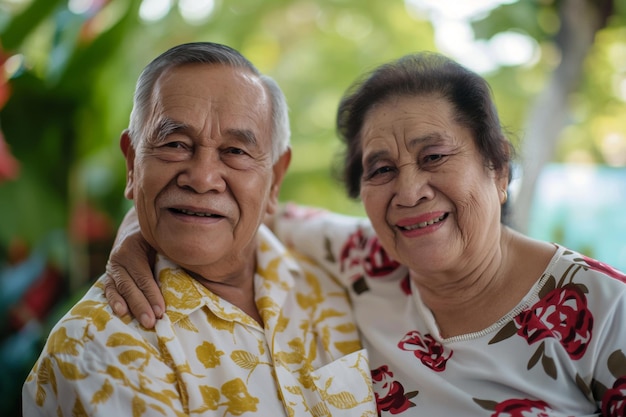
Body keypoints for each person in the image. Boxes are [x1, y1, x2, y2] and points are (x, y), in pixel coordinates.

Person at [104, 51, 626, 416]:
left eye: (435, 157)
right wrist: (136, 233)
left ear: (497, 167)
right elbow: (228, 204)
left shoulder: (602, 310)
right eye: (380, 169)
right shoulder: (358, 258)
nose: (410, 190)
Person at [22, 42, 376, 417]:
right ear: (132, 164)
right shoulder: (96, 347)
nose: (203, 178)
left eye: (236, 152)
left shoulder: (344, 275)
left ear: (275, 179)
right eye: (175, 144)